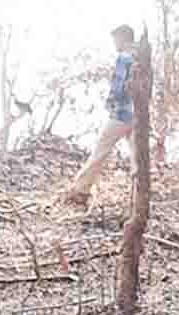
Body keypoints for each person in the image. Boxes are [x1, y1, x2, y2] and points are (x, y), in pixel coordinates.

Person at [66, 25, 137, 205]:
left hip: (121, 114)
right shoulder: (141, 57)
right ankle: (138, 197)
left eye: (115, 40)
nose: (114, 44)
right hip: (138, 115)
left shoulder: (124, 58)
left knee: (101, 151)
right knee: (138, 159)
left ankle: (79, 190)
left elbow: (119, 85)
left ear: (122, 38)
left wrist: (110, 101)